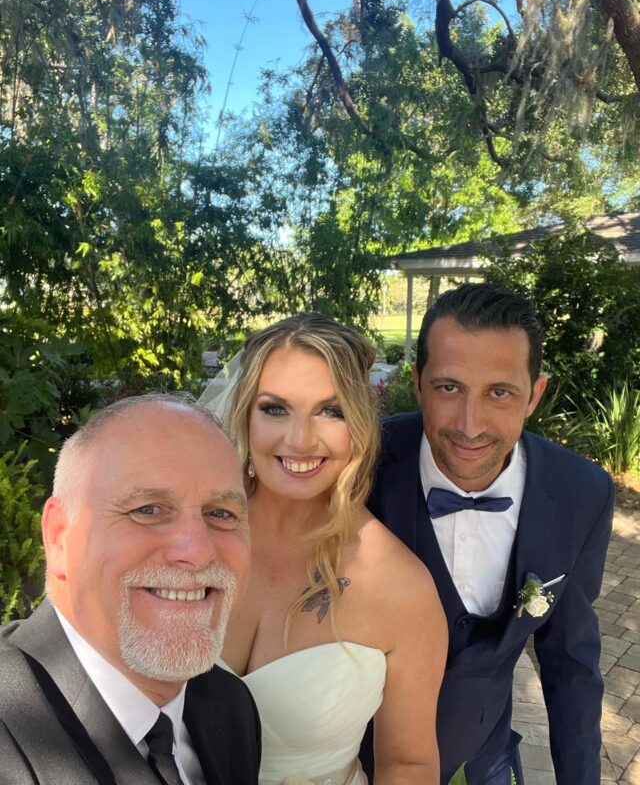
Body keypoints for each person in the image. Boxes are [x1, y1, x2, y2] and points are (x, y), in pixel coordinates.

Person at [362, 283, 614, 785]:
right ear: (417, 382)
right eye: (448, 388)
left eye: (500, 392)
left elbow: (569, 661)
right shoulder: (360, 465)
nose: (471, 425)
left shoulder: (582, 493)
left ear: (534, 395)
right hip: (357, 764)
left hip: (485, 760)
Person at [203, 314, 447, 785]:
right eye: (275, 408)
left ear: (357, 422)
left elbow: (409, 764)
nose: (299, 440)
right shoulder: (188, 538)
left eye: (330, 411)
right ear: (245, 414)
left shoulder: (401, 585)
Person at [0, 394, 261, 785]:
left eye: (220, 514)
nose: (197, 551)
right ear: (58, 537)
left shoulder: (230, 707)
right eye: (148, 509)